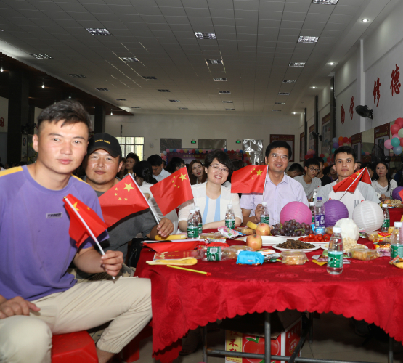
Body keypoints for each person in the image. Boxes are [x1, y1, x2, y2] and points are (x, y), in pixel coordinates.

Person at [0, 100, 152, 363]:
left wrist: (103, 262)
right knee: (31, 336)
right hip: (9, 306)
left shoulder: (83, 193)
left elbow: (83, 254)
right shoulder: (6, 187)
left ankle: (98, 358)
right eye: (56, 139)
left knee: (150, 292)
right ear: (36, 142)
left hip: (59, 298)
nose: (67, 150)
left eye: (77, 141)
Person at [84, 133, 173, 256]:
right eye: (94, 157)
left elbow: (151, 231)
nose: (100, 164)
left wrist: (163, 228)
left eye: (108, 158)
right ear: (84, 160)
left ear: (120, 166)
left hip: (114, 266)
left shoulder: (129, 195)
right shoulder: (67, 192)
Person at [240, 141, 308, 226]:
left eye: (283, 157)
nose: (279, 160)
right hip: (259, 233)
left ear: (287, 161)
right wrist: (255, 219)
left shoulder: (296, 187)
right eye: (274, 156)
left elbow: (305, 217)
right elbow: (242, 219)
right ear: (266, 159)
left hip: (287, 234)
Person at [179, 150, 242, 231]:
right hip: (194, 237)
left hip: (221, 238)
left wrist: (206, 227)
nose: (219, 172)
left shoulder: (232, 194)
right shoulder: (191, 191)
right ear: (206, 169)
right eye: (215, 167)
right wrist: (200, 230)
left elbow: (237, 220)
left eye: (224, 169)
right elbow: (182, 223)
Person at [317, 147, 379, 217]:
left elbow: (376, 215)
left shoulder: (366, 189)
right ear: (334, 167)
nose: (344, 165)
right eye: (339, 161)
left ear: (355, 166)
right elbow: (318, 217)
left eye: (348, 161)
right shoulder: (324, 191)